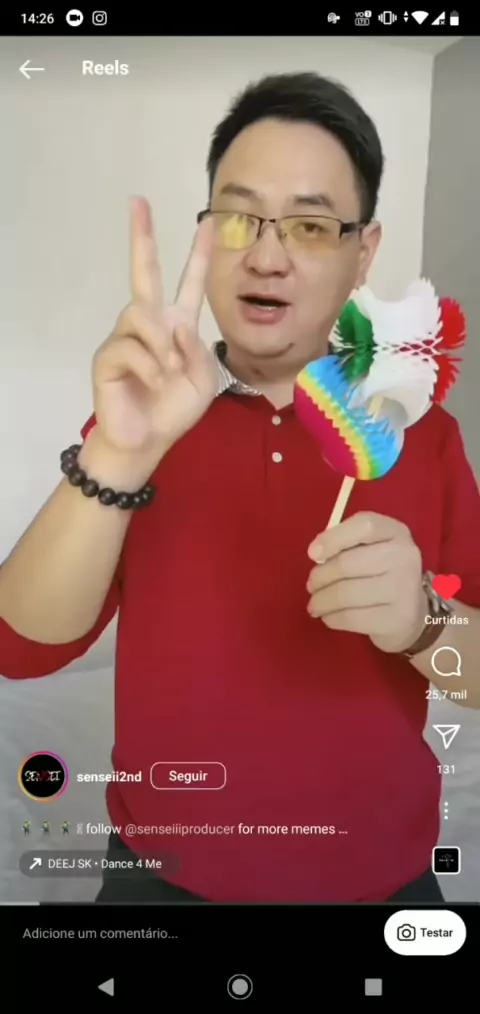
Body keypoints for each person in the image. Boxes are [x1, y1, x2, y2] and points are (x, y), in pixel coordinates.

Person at [1, 73, 479, 904]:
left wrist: (422, 624)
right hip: (160, 878)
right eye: (237, 218)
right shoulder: (142, 424)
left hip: (382, 884)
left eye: (310, 224)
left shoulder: (421, 434)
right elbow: (20, 649)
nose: (265, 254)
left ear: (363, 252)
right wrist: (118, 452)